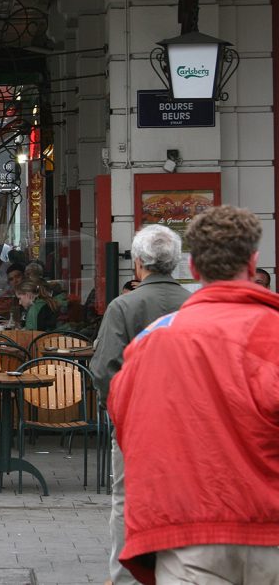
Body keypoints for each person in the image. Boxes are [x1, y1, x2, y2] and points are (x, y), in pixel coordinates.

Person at [109, 206, 279, 584]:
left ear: (195, 268)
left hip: (188, 534)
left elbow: (127, 425)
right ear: (252, 264)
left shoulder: (155, 341)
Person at [89, 224, 190, 585]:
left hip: (137, 426)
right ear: (176, 264)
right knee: (185, 497)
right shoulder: (194, 305)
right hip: (190, 425)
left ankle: (125, 576)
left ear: (138, 264)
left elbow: (104, 369)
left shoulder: (124, 306)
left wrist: (122, 411)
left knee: (127, 498)